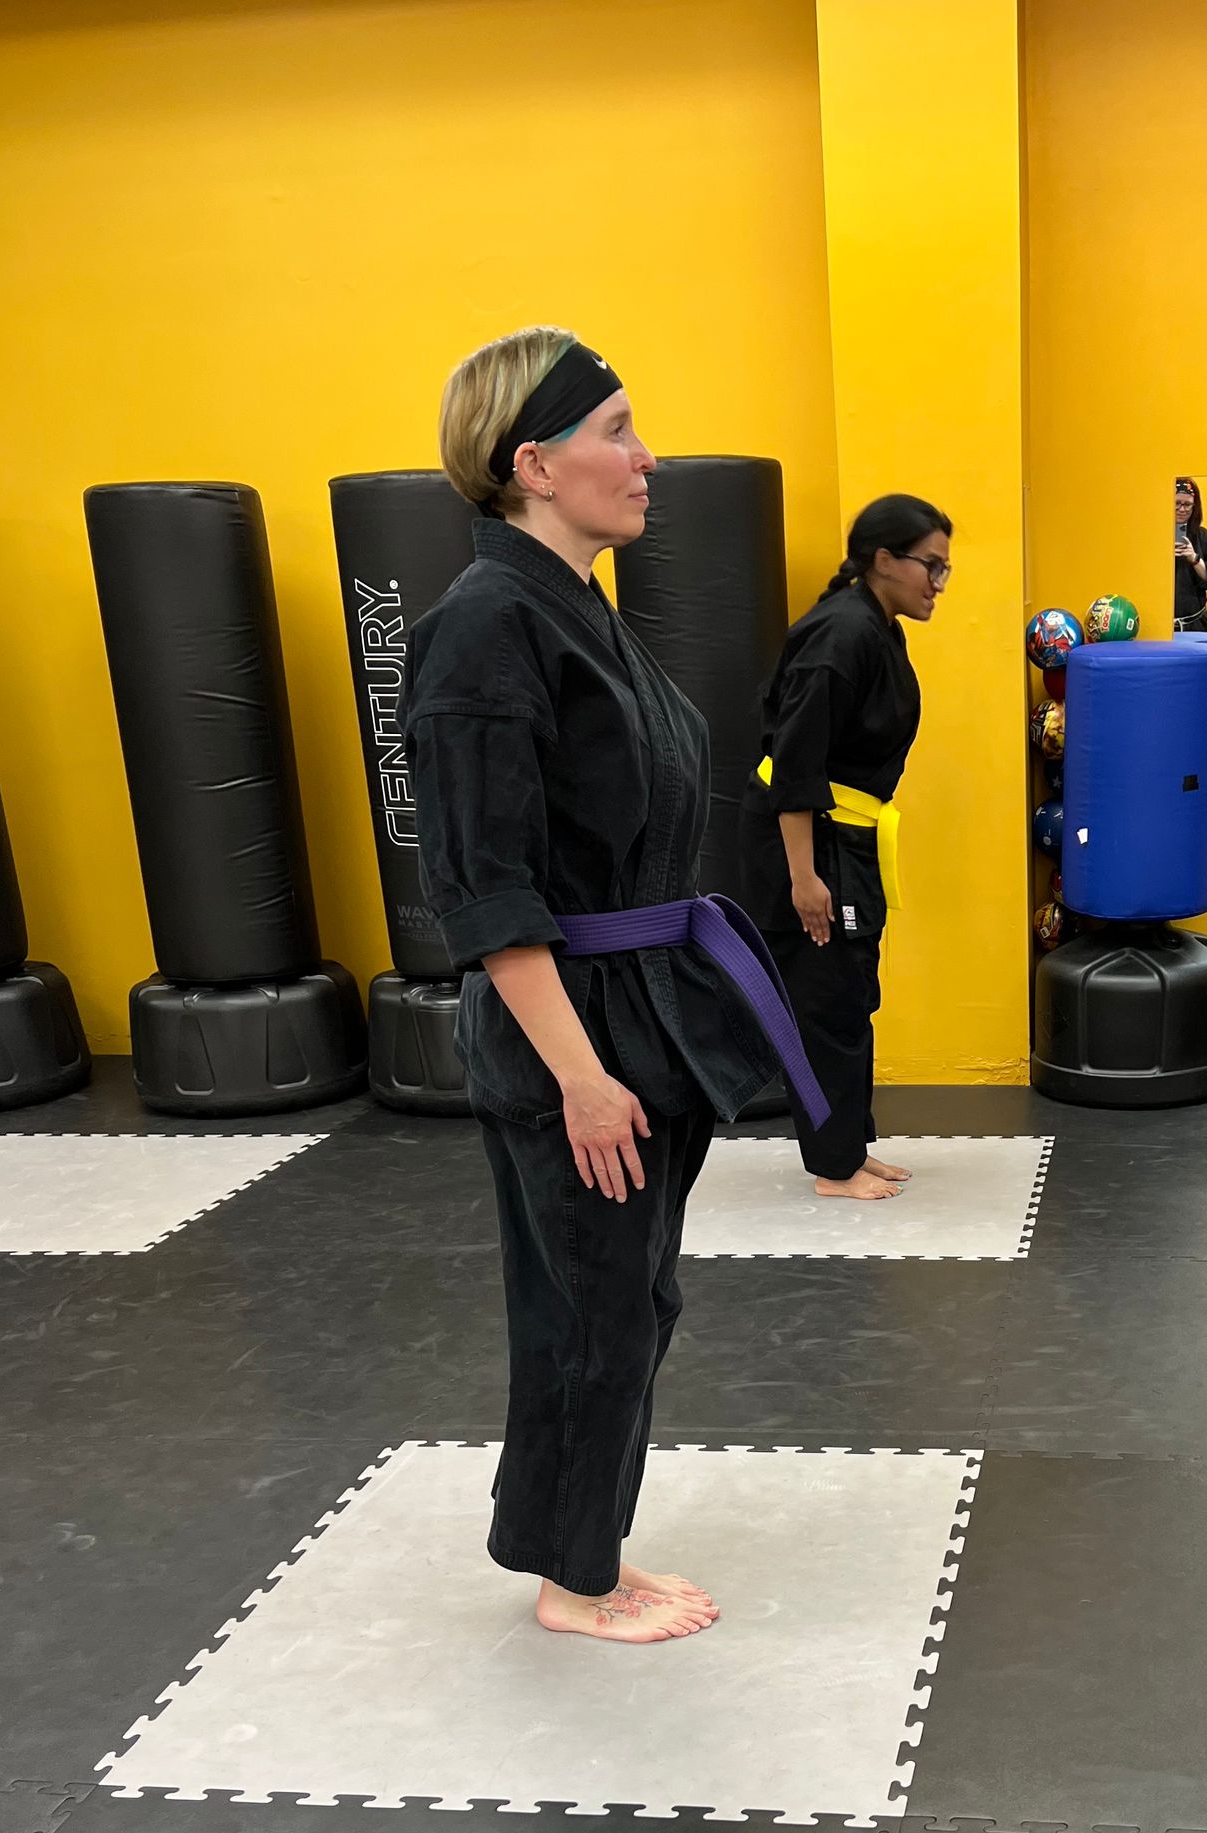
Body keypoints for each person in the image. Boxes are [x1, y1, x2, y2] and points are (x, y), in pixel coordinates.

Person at [405, 326, 820, 1645]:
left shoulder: (576, 608)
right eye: (618, 431)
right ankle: (578, 1582)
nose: (646, 461)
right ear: (534, 462)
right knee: (592, 1304)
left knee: (622, 1297)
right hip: (568, 1037)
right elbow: (487, 892)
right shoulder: (482, 629)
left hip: (638, 1008)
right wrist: (581, 1079)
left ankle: (572, 1544)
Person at [741, 495, 952, 1200]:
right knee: (826, 1000)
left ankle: (850, 1146)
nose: (938, 584)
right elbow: (796, 766)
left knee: (851, 992)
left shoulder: (876, 627)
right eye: (931, 566)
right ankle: (833, 1167)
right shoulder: (841, 636)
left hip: (846, 835)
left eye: (945, 570)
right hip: (809, 839)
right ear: (883, 560)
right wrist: (804, 878)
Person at [1174, 478, 1207, 634]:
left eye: (1187, 505)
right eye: (1177, 503)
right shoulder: (1150, 536)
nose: (1182, 509)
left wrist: (1195, 559)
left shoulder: (1202, 536)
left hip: (1195, 626)